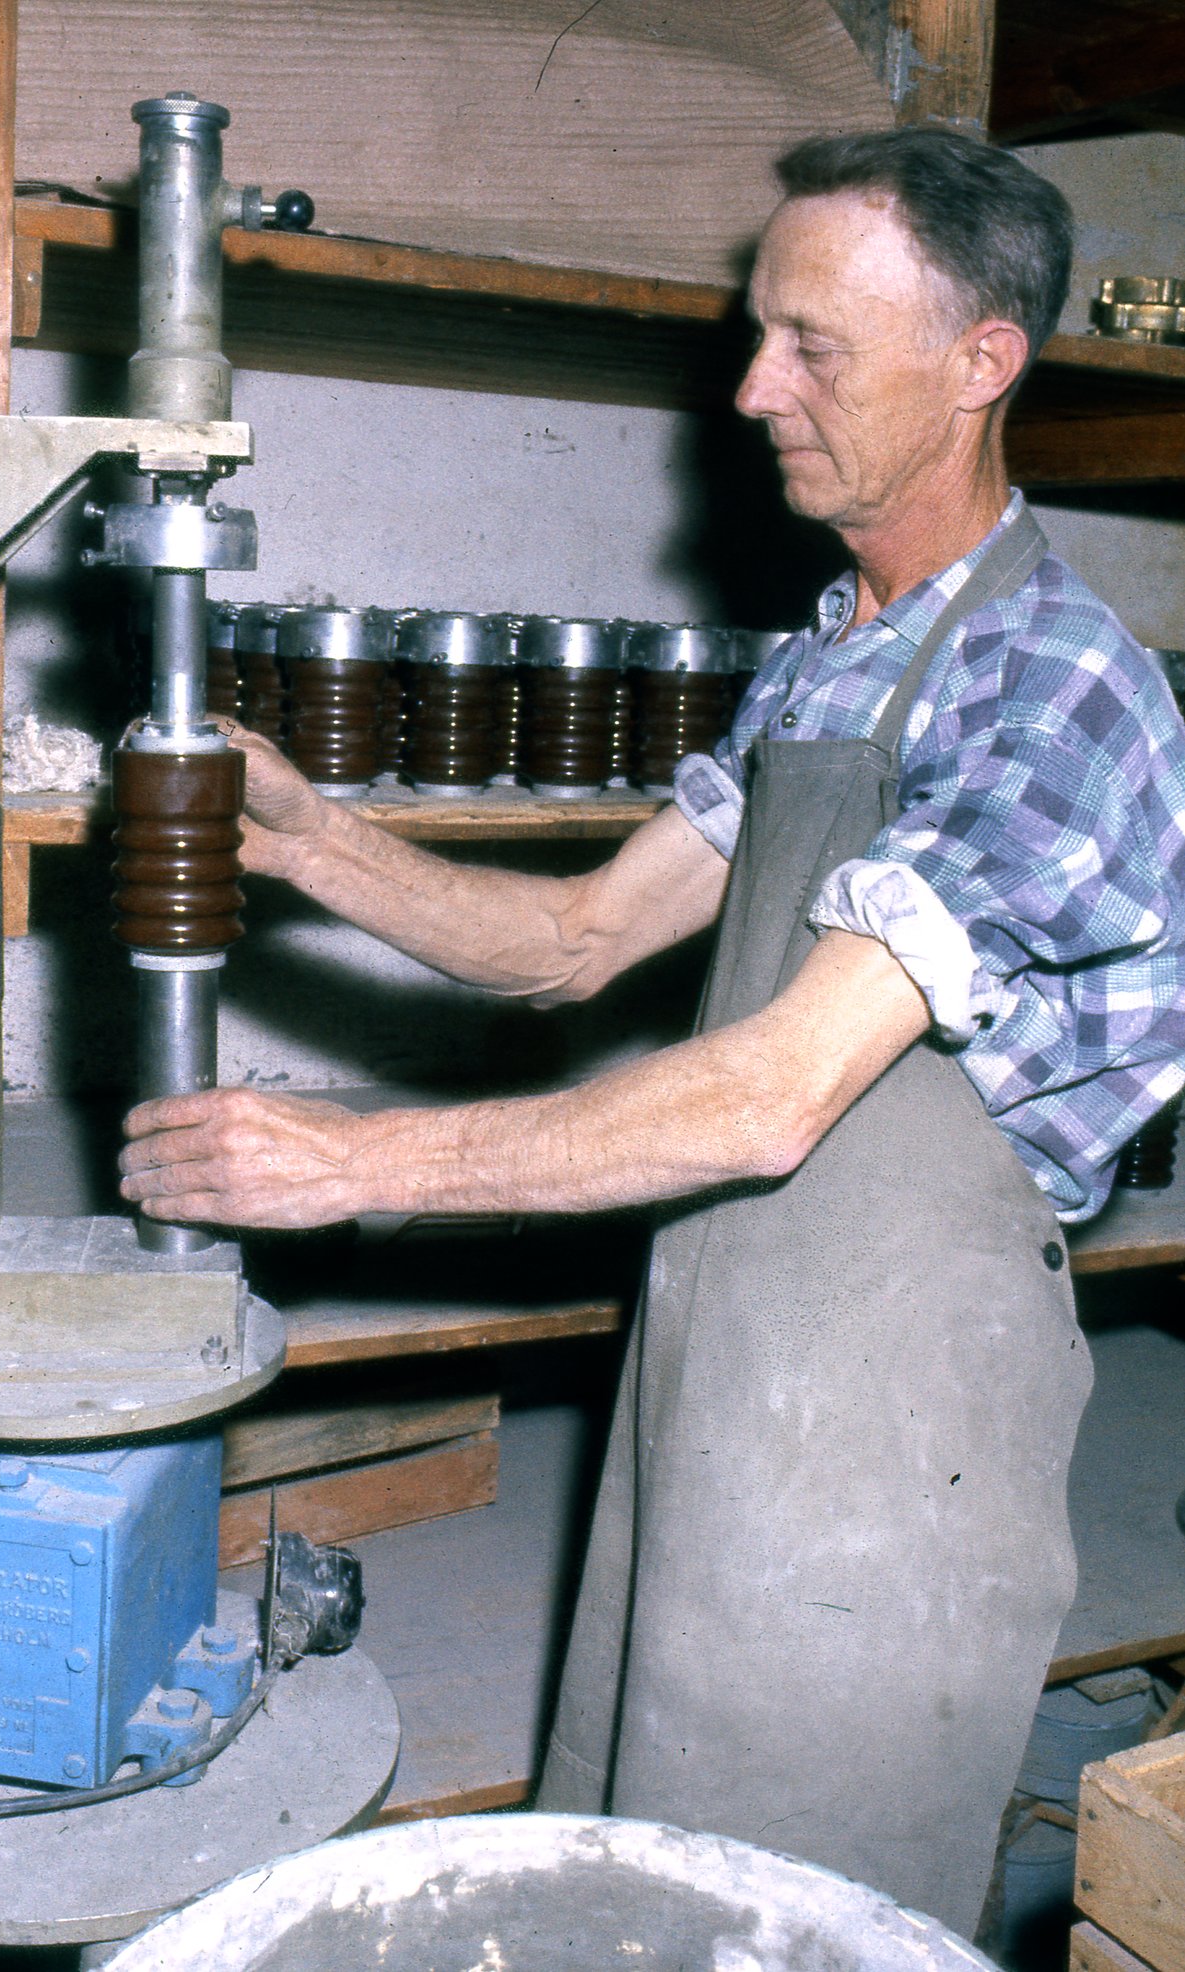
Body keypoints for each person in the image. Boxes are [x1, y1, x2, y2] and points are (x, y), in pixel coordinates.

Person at [120, 127, 1185, 1936]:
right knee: (619, 1870)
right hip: (719, 1360)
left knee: (787, 1901)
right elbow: (564, 939)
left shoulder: (1057, 687)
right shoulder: (831, 650)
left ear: (982, 362)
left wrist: (354, 1164)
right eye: (756, 334)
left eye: (813, 346)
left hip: (887, 1435)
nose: (755, 387)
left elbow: (771, 1097)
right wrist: (302, 829)